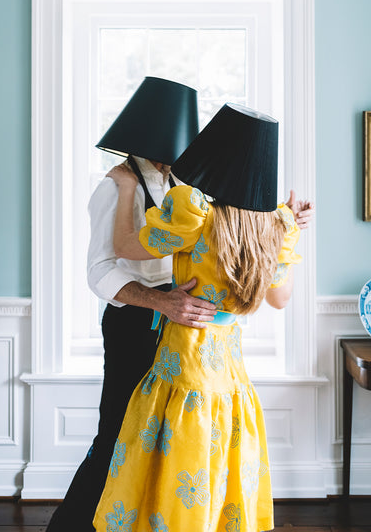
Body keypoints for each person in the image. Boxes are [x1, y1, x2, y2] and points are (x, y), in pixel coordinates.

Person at [93, 103, 307, 532]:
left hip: (185, 356)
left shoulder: (195, 213)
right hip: (229, 366)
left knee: (176, 460)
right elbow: (281, 299)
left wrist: (127, 189)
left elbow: (124, 246)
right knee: (217, 460)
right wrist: (285, 228)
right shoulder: (272, 227)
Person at [46, 76, 214, 532]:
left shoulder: (182, 183)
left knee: (160, 437)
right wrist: (160, 304)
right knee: (116, 437)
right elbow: (100, 271)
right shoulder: (117, 187)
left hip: (178, 324)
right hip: (132, 327)